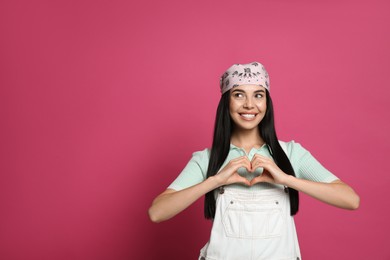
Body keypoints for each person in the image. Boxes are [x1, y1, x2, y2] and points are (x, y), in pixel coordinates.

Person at [148, 61, 360, 260]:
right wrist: (215, 180)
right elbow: (157, 212)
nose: (250, 105)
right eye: (239, 95)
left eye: (258, 95)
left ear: (267, 102)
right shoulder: (207, 159)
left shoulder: (291, 153)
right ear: (226, 102)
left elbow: (350, 200)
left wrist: (287, 178)